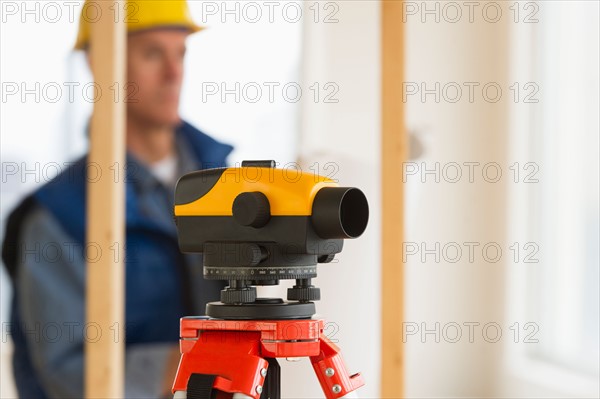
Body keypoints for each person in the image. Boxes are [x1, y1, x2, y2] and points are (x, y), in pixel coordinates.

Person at [2, 1, 232, 397]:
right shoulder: (60, 216)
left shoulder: (229, 191)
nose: (174, 73)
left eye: (181, 53)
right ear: (99, 64)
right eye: (152, 53)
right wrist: (199, 362)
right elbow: (68, 372)